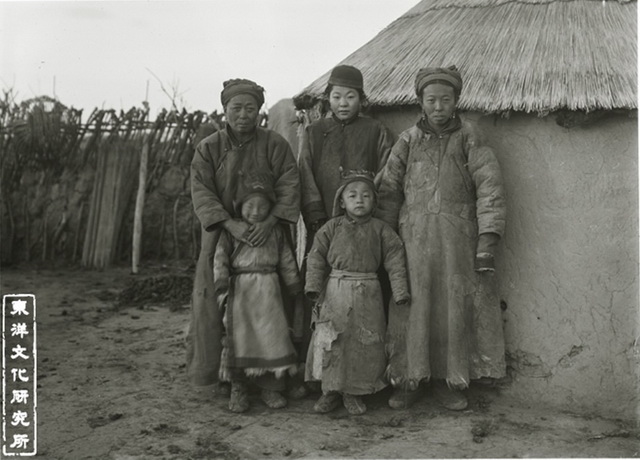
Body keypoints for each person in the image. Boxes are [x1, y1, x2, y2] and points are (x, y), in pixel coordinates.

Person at [377, 65, 507, 411]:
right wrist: (386, 241)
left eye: (445, 100)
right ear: (420, 102)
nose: (438, 107)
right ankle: (409, 379)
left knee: (453, 308)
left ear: (456, 101)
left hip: (457, 242)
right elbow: (389, 191)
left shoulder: (470, 136)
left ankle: (450, 382)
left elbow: (489, 187)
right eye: (431, 100)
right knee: (411, 306)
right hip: (412, 242)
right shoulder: (407, 140)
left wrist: (487, 239)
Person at [187, 78, 300, 399]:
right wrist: (229, 225)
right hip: (221, 238)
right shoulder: (209, 148)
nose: (243, 115)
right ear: (224, 110)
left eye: (250, 108)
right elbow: (201, 191)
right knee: (214, 305)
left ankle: (272, 380)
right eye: (236, 108)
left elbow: (290, 183)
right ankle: (224, 377)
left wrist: (273, 220)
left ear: (260, 111)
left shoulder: (275, 145)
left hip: (269, 237)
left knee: (272, 314)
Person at [297, 64, 395, 363]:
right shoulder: (314, 132)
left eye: (350, 97)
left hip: (364, 227)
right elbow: (304, 172)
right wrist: (316, 212)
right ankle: (317, 368)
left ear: (361, 99)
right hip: (323, 223)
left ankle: (363, 367)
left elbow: (387, 171)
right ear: (327, 98)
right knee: (319, 290)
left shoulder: (375, 131)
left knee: (365, 296)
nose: (343, 103)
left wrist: (369, 209)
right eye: (337, 96)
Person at [304, 170, 410, 415]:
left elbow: (395, 259)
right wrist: (313, 286)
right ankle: (330, 391)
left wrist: (400, 291)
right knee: (334, 342)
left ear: (374, 201)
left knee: (363, 344)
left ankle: (353, 392)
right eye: (352, 195)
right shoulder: (331, 228)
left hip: (368, 295)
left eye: (366, 196)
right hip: (336, 292)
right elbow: (316, 257)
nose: (359, 200)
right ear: (342, 201)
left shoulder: (382, 230)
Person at [214, 174, 301, 412]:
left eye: (262, 206)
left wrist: (293, 284)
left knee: (272, 338)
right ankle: (239, 389)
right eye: (249, 205)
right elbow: (220, 258)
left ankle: (270, 388)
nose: (255, 211)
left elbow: (286, 259)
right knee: (240, 338)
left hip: (269, 291)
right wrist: (221, 284)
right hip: (241, 291)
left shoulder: (275, 233)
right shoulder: (231, 233)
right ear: (239, 207)